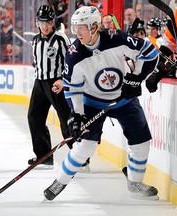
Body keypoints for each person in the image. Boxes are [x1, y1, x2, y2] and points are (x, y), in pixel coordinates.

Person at [43, 6, 159, 201]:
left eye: (82, 27)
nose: (77, 32)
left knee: (141, 141)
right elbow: (72, 88)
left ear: (95, 26)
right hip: (92, 102)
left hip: (123, 99)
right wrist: (77, 114)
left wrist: (136, 78)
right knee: (85, 145)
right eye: (75, 27)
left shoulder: (117, 39)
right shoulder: (74, 54)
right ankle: (60, 181)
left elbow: (150, 53)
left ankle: (135, 183)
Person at [27, 5, 75, 169]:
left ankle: (79, 157)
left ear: (53, 22)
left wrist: (63, 80)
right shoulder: (35, 40)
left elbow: (71, 61)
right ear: (37, 22)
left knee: (66, 119)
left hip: (57, 83)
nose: (45, 25)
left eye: (48, 22)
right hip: (40, 83)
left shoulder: (61, 39)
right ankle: (44, 156)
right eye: (42, 22)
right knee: (34, 117)